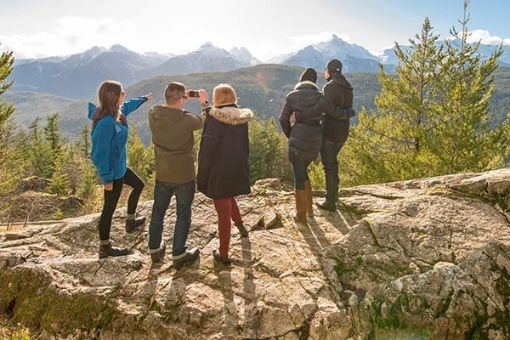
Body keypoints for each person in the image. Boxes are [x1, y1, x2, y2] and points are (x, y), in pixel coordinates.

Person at [147, 82, 209, 267]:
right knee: (183, 213)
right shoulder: (187, 119)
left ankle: (154, 249)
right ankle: (178, 252)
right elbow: (205, 119)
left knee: (158, 211)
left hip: (163, 173)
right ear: (182, 100)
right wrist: (204, 102)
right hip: (184, 175)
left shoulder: (153, 114)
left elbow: (168, 106)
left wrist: (181, 98)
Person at [88, 80, 152, 259]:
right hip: (113, 174)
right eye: (122, 92)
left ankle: (130, 221)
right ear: (113, 96)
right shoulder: (105, 122)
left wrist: (144, 99)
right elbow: (99, 154)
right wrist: (107, 179)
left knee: (138, 185)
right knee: (108, 209)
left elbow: (128, 105)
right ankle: (105, 247)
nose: (125, 93)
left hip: (121, 168)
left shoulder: (117, 112)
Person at [197, 84, 252, 265]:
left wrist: (202, 175)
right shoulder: (241, 118)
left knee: (222, 211)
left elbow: (207, 150)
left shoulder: (215, 120)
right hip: (237, 167)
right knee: (229, 197)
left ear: (217, 98)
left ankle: (224, 254)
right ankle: (241, 226)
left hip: (219, 171)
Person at [279, 68, 324, 223]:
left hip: (297, 138)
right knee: (303, 171)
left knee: (299, 174)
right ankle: (310, 211)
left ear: (301, 80)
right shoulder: (321, 96)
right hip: (315, 140)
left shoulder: (292, 96)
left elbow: (283, 119)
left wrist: (290, 134)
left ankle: (301, 215)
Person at [316, 59, 354, 211]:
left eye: (325, 70)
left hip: (330, 131)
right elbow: (348, 109)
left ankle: (330, 201)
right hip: (343, 131)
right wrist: (347, 113)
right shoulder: (348, 86)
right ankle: (334, 196)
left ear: (329, 71)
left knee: (329, 166)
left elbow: (327, 109)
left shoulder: (329, 87)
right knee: (333, 164)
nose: (325, 72)